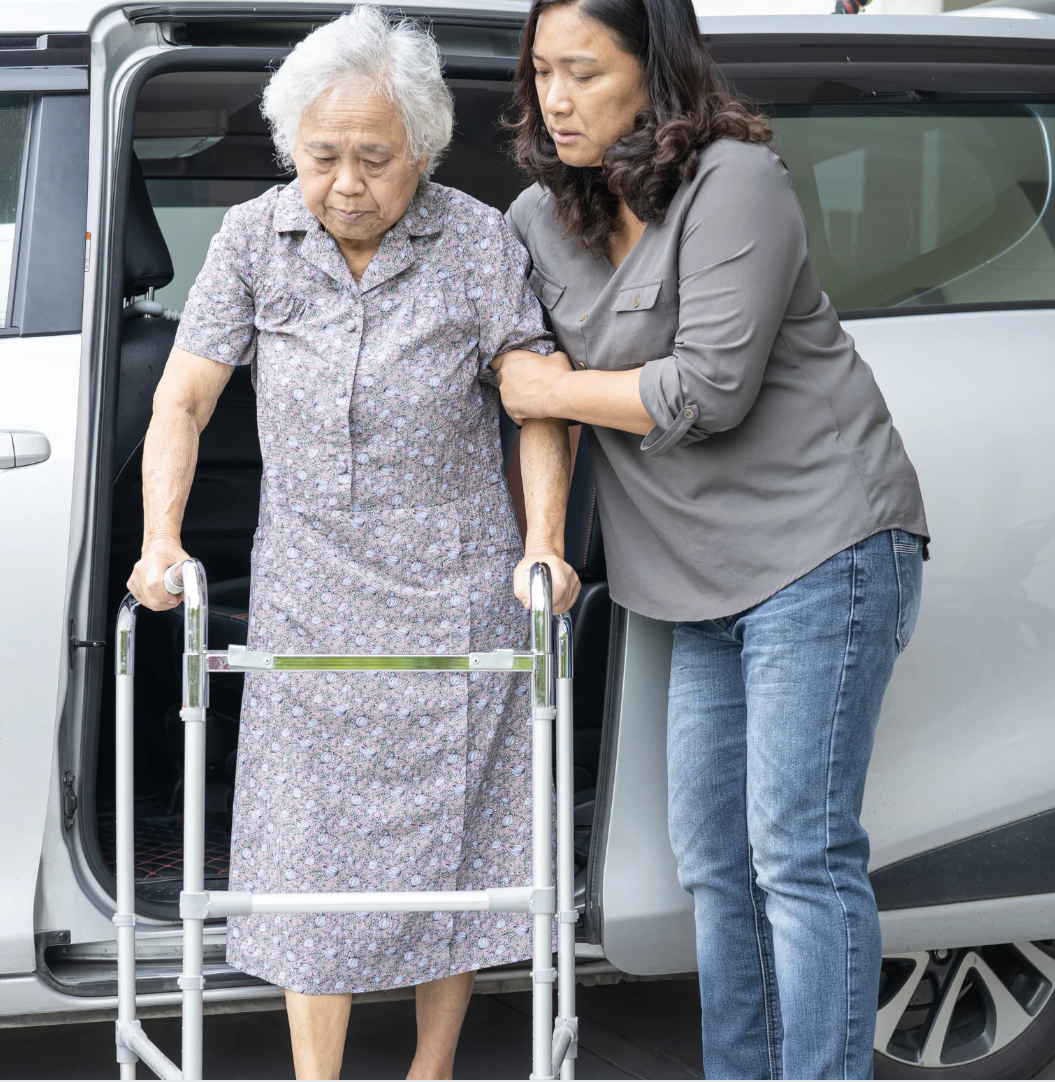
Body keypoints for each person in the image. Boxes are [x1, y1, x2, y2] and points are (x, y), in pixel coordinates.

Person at [126, 8, 579, 1079]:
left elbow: (537, 405)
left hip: (454, 590)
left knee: (452, 849)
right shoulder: (252, 237)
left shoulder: (474, 240)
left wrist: (544, 545)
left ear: (418, 150)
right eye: (320, 155)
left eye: (372, 158)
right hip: (307, 593)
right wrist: (159, 540)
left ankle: (431, 1068)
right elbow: (182, 401)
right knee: (306, 855)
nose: (342, 181)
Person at [491, 0, 929, 1076]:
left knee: (798, 855)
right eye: (543, 71)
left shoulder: (735, 180)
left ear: (654, 72)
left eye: (584, 72)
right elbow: (525, 394)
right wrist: (545, 531)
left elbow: (711, 390)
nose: (555, 99)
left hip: (822, 544)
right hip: (690, 586)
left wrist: (548, 380)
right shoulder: (533, 221)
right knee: (714, 865)